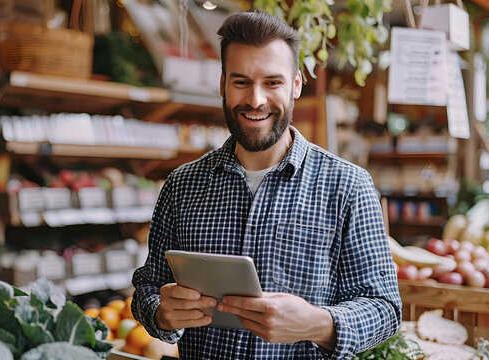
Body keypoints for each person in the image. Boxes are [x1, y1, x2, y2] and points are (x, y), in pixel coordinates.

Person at [131, 10, 401, 359]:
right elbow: (147, 285)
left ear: (296, 86)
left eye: (272, 82)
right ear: (223, 85)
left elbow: (385, 308)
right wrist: (159, 312)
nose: (256, 100)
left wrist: (318, 323)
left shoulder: (348, 186)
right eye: (241, 81)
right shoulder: (182, 185)